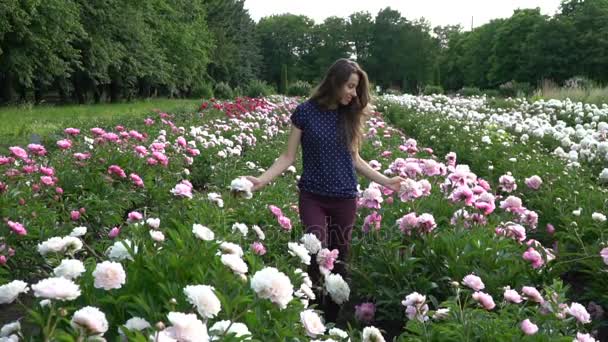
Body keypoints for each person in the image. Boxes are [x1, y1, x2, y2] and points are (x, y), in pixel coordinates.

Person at [242, 58, 404, 322]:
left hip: (344, 197)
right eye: (350, 86)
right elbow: (287, 157)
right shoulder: (304, 112)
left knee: (340, 257)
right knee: (316, 251)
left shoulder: (348, 115)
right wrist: (261, 180)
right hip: (312, 196)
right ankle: (314, 310)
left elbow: (355, 159)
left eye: (356, 88)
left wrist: (386, 181)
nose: (353, 93)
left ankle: (333, 317)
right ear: (335, 82)